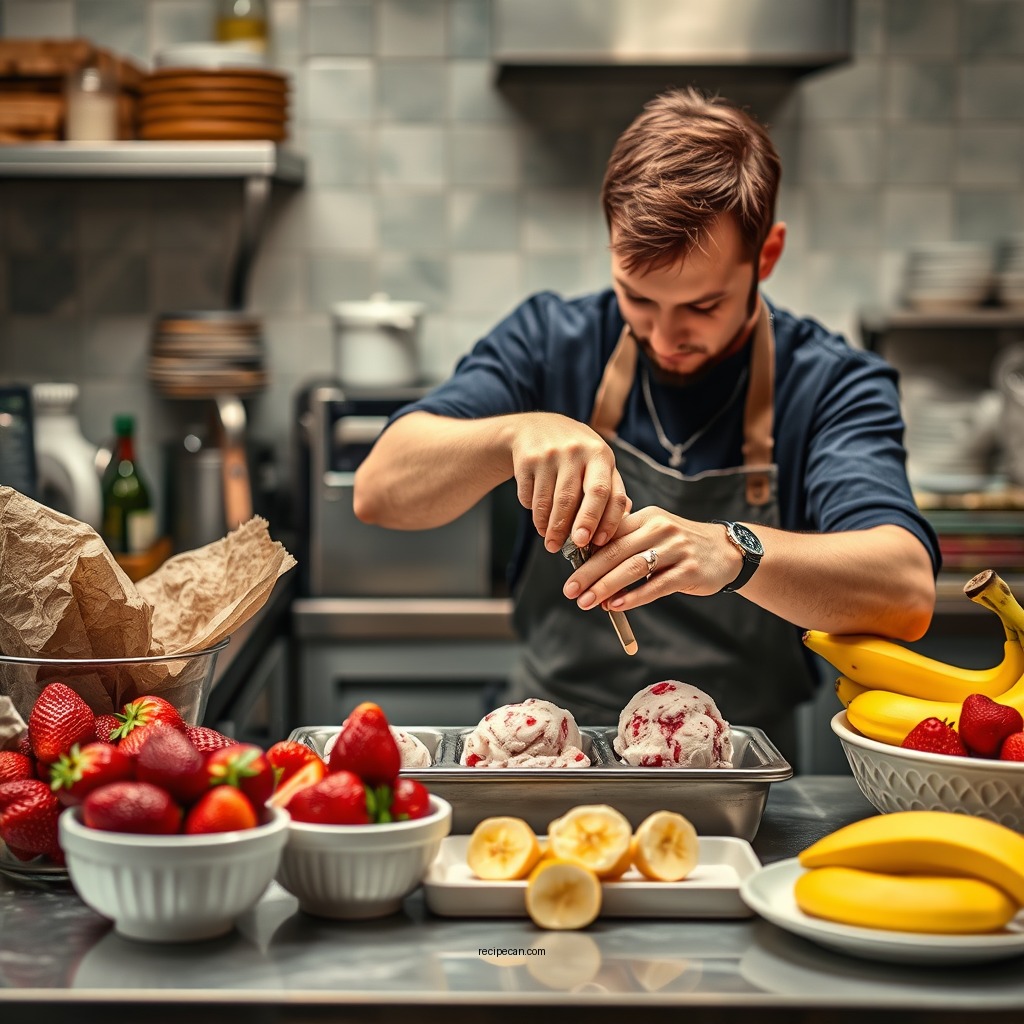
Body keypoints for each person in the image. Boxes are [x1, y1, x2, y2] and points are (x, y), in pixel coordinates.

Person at [352, 87, 939, 764]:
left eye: (703, 305)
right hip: (545, 756)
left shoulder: (831, 382)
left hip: (741, 768)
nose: (664, 336)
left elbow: (906, 591)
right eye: (637, 297)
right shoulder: (552, 341)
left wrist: (736, 551)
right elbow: (379, 490)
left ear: (766, 256)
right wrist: (514, 433)